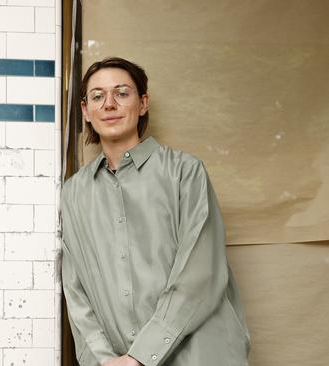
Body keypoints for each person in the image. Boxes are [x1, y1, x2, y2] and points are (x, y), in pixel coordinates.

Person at [61, 57, 250, 366]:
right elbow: (76, 287)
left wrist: (140, 355)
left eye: (122, 93)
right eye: (97, 96)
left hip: (201, 355)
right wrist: (105, 359)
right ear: (85, 111)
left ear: (143, 103)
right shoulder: (73, 193)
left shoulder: (185, 173)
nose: (109, 104)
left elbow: (200, 273)